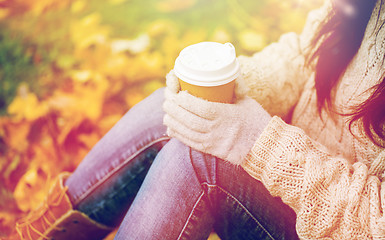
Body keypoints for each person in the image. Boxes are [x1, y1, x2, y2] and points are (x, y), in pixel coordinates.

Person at [15, 0, 385, 239]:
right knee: (178, 111)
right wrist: (224, 90)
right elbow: (302, 57)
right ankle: (41, 234)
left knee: (195, 161)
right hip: (287, 194)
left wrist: (260, 143)